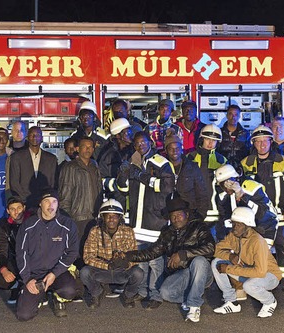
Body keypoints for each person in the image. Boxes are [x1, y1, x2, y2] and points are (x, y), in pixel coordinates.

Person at [114, 195, 215, 323]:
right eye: (173, 216)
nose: (176, 218)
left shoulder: (199, 227)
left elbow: (210, 248)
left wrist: (183, 254)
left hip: (202, 273)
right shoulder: (167, 232)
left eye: (179, 215)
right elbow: (151, 252)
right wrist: (128, 255)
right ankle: (189, 298)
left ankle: (194, 306)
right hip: (182, 274)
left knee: (199, 261)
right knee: (165, 293)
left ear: (187, 215)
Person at [116, 131, 175, 306]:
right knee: (140, 261)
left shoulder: (162, 163)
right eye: (137, 143)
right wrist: (123, 174)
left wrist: (144, 177)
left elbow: (167, 187)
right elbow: (124, 189)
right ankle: (142, 291)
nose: (141, 146)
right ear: (134, 146)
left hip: (156, 222)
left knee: (156, 263)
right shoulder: (133, 163)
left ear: (150, 142)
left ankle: (155, 294)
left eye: (143, 142)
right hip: (137, 221)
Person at [241, 125, 284, 294]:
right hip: (257, 215)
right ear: (253, 144)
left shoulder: (282, 161)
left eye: (264, 141)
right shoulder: (246, 163)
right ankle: (259, 279)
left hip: (280, 213)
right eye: (257, 142)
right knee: (258, 248)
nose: (261, 145)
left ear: (270, 142)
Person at [15, 188, 79, 320]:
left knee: (70, 290)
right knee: (23, 315)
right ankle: (39, 296)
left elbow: (72, 252)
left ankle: (58, 299)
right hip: (34, 275)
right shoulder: (28, 226)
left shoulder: (68, 224)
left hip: (57, 272)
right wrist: (27, 279)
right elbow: (21, 254)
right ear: (40, 203)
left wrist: (55, 273)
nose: (51, 205)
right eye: (47, 201)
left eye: (54, 201)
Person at [212, 207, 281, 318]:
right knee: (216, 263)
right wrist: (229, 256)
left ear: (247, 225)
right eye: (233, 224)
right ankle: (231, 302)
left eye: (238, 225)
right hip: (248, 271)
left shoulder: (257, 241)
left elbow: (260, 272)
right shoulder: (234, 235)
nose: (234, 228)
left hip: (270, 276)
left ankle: (270, 301)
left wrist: (228, 269)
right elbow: (215, 250)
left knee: (249, 286)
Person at [80, 199, 143, 309]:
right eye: (108, 216)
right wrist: (107, 265)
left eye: (115, 216)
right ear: (102, 217)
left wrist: (126, 263)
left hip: (122, 271)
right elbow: (87, 256)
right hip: (103, 270)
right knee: (84, 272)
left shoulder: (128, 231)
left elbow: (134, 255)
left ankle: (128, 295)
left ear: (120, 218)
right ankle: (97, 292)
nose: (111, 219)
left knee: (139, 273)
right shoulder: (95, 231)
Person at [58, 136, 103, 259]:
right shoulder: (70, 167)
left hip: (95, 216)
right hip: (78, 216)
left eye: (90, 147)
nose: (88, 150)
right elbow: (64, 195)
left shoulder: (94, 165)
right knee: (77, 251)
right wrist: (66, 218)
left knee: (93, 250)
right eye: (84, 147)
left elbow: (99, 189)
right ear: (77, 149)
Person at [0, 196, 30, 305]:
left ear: (24, 208)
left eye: (19, 208)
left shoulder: (33, 222)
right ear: (8, 211)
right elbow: (1, 250)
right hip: (15, 261)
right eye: (12, 209)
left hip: (33, 261)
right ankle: (15, 285)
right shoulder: (5, 227)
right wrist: (4, 269)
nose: (16, 212)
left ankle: (25, 286)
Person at [187, 124, 228, 226]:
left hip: (215, 212)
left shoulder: (222, 160)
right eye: (207, 139)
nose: (210, 143)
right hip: (193, 210)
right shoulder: (190, 157)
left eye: (214, 140)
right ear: (202, 139)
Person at [9, 126, 58, 208]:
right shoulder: (17, 157)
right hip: (24, 203)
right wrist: (25, 200)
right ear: (27, 137)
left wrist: (45, 199)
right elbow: (14, 183)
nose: (34, 137)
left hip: (45, 204)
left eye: (37, 135)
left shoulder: (51, 159)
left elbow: (53, 183)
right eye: (32, 135)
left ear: (42, 138)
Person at [164, 133, 209, 221]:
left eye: (177, 148)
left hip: (189, 215)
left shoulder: (192, 167)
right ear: (166, 150)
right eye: (171, 149)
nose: (174, 151)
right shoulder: (161, 168)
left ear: (181, 149)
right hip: (167, 216)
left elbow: (202, 194)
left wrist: (200, 216)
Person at [97, 118, 134, 203]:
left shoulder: (134, 150)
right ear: (118, 135)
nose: (130, 135)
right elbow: (102, 180)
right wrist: (119, 184)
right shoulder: (107, 155)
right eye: (127, 133)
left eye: (130, 132)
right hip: (115, 200)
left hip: (133, 201)